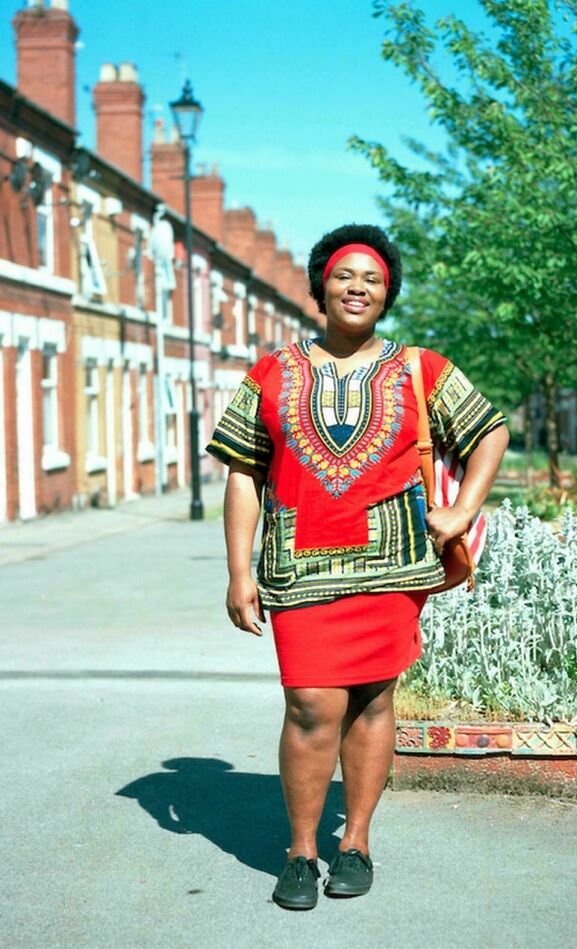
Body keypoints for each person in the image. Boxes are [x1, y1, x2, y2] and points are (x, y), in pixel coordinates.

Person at [206, 223, 509, 910]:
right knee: (311, 704)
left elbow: (491, 431)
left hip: (394, 569)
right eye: (345, 275)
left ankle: (358, 841)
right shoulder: (274, 372)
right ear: (320, 289)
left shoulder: (419, 367)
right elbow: (243, 473)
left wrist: (460, 512)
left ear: (387, 295)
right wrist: (237, 570)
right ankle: (301, 850)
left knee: (373, 700)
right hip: (300, 567)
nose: (358, 287)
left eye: (372, 279)